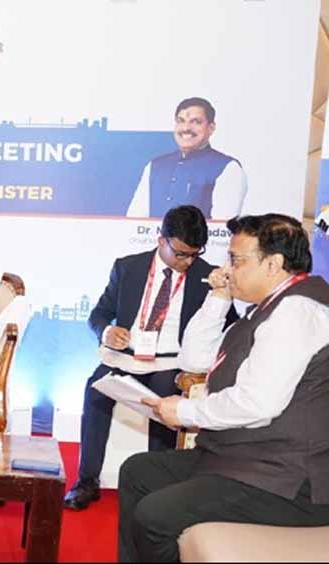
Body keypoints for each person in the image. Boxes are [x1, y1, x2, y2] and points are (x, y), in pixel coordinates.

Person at [119, 213, 329, 562]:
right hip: (246, 459)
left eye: (236, 260)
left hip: (290, 481)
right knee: (138, 472)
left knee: (155, 516)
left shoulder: (298, 312)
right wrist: (219, 297)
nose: (227, 269)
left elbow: (257, 404)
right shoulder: (267, 308)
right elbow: (194, 359)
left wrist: (184, 412)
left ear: (273, 265)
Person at [64, 205, 238, 511]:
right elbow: (99, 314)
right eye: (181, 254)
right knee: (95, 391)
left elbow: (230, 324)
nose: (188, 261)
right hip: (125, 356)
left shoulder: (207, 276)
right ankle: (87, 481)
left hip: (171, 361)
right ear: (161, 240)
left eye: (194, 254)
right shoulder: (128, 267)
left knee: (163, 399)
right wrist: (107, 331)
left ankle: (156, 487)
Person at [126, 97, 246, 219]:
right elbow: (134, 221)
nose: (186, 128)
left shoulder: (228, 168)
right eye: (181, 121)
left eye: (196, 122)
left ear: (211, 128)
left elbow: (223, 227)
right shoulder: (155, 166)